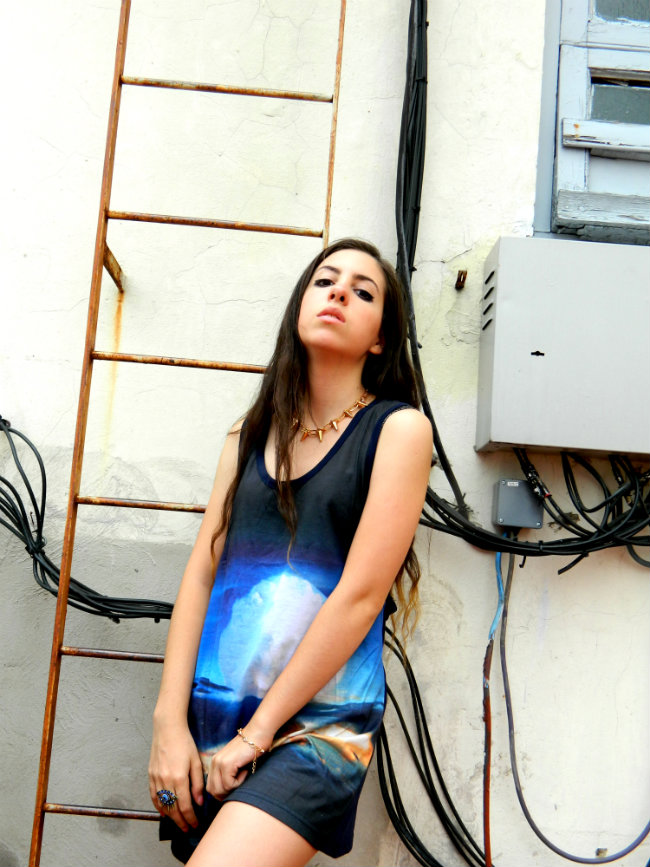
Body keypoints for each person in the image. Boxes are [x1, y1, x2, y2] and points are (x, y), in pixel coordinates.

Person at [148, 238, 433, 866]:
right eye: (325, 281)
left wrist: (258, 735)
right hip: (216, 714)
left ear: (381, 338)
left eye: (363, 291)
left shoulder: (398, 430)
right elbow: (201, 575)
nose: (339, 292)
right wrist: (168, 724)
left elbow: (359, 599)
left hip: (317, 726)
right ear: (300, 305)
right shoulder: (248, 434)